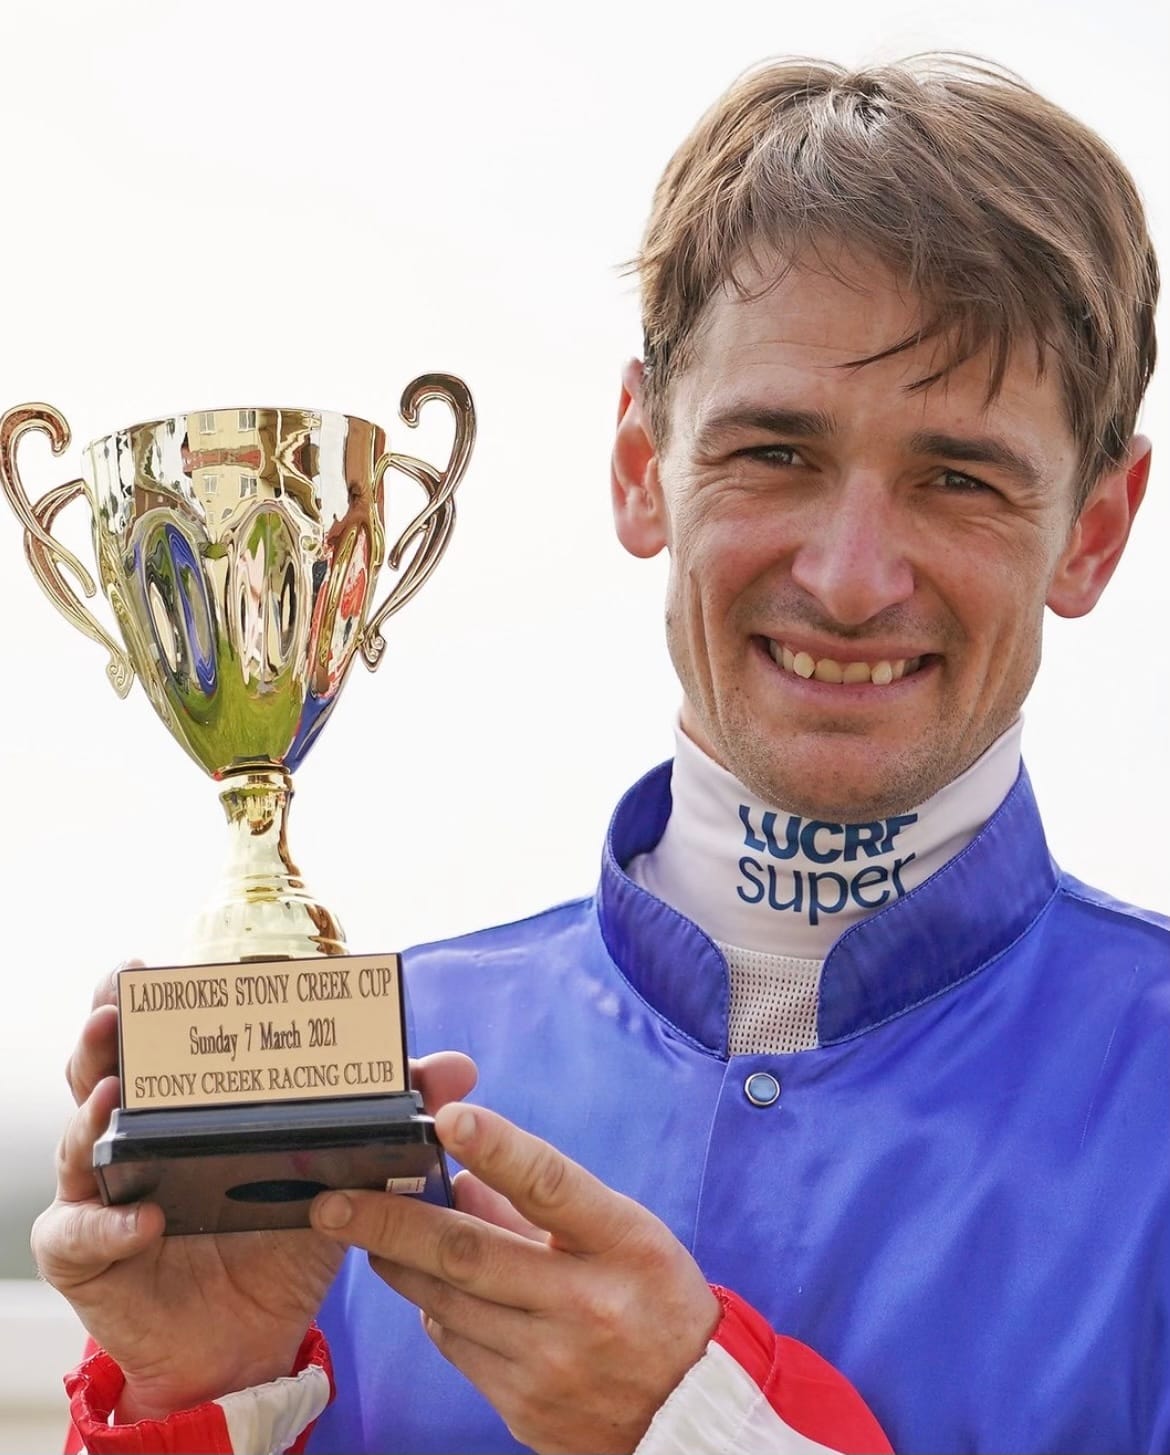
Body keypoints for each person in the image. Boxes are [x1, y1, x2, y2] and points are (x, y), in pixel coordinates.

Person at [34, 52, 1166, 1455]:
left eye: (958, 479)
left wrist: (700, 1426)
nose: (853, 574)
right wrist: (191, 1398)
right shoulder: (382, 1075)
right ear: (641, 466)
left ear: (1097, 528)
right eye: (774, 454)